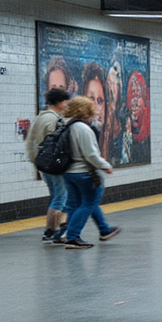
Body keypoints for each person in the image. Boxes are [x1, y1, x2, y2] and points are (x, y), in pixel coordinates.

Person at [59, 96, 120, 250]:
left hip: (69, 172)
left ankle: (103, 229)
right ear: (85, 111)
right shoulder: (82, 128)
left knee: (78, 204)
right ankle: (72, 237)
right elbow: (90, 154)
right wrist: (105, 166)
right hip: (84, 173)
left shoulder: (67, 125)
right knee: (89, 202)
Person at [25, 87, 72, 243]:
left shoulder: (39, 117)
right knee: (61, 196)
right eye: (66, 101)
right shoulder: (54, 120)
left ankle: (49, 231)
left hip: (42, 163)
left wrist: (35, 161)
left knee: (55, 195)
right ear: (59, 102)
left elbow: (31, 142)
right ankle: (54, 230)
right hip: (54, 165)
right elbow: (58, 144)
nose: (67, 104)